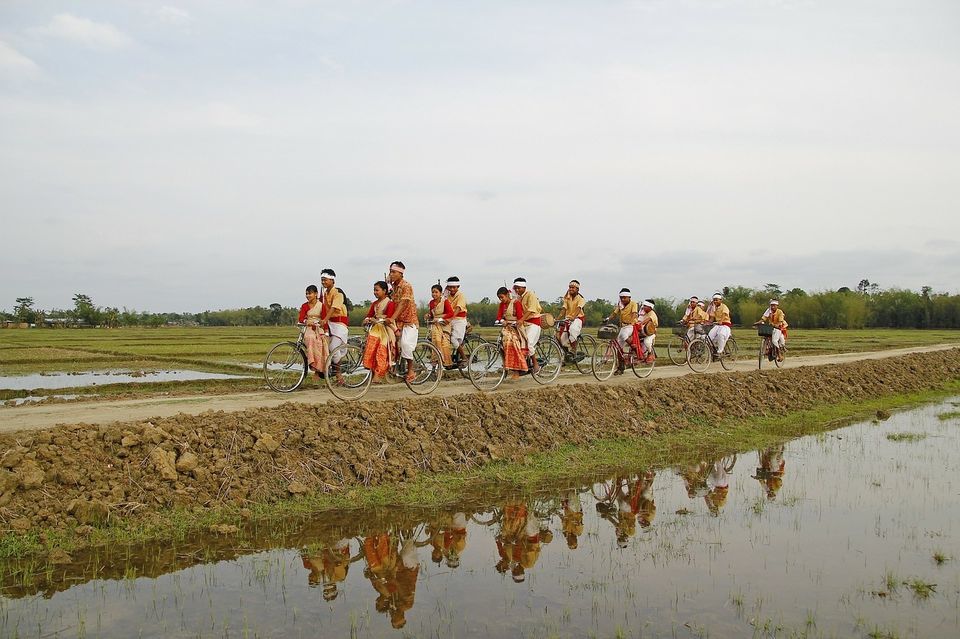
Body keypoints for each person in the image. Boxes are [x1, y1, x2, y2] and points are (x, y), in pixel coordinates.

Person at [387, 261, 418, 383]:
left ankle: (411, 369)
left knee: (405, 345)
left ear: (401, 273)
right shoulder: (393, 287)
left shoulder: (406, 286)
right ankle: (395, 367)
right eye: (390, 272)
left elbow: (403, 304)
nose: (391, 274)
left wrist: (392, 318)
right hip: (398, 321)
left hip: (409, 321)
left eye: (393, 272)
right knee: (392, 343)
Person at [362, 281, 396, 382]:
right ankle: (372, 372)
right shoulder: (374, 304)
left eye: (377, 290)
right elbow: (370, 314)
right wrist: (367, 319)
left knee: (381, 350)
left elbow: (389, 318)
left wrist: (376, 320)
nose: (375, 292)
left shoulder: (390, 303)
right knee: (370, 347)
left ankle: (379, 374)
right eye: (374, 290)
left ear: (384, 291)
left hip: (386, 328)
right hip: (376, 328)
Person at [495, 286, 528, 378]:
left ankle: (517, 370)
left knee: (513, 342)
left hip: (516, 327)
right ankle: (508, 363)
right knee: (503, 341)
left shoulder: (516, 303)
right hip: (507, 327)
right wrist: (501, 321)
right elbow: (499, 316)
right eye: (499, 298)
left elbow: (520, 317)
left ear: (507, 295)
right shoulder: (502, 305)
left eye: (502, 297)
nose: (501, 299)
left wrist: (510, 322)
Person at [320, 269, 350, 372]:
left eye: (325, 280)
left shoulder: (338, 293)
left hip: (340, 323)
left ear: (332, 280)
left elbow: (333, 308)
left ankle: (338, 373)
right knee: (325, 345)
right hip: (330, 323)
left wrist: (324, 320)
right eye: (322, 280)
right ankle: (332, 368)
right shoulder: (325, 293)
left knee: (333, 347)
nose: (323, 282)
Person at [297, 285, 329, 378]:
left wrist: (326, 332)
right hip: (308, 328)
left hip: (319, 327)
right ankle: (313, 365)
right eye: (306, 294)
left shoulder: (321, 306)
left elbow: (324, 320)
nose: (308, 295)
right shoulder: (304, 306)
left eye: (310, 293)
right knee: (310, 338)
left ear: (316, 294)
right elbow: (301, 318)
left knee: (321, 342)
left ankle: (318, 371)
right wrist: (307, 322)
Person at [604, 288, 638, 375]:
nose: (622, 299)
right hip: (623, 326)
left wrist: (632, 320)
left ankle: (634, 347)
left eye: (624, 297)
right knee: (618, 348)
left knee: (623, 335)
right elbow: (614, 313)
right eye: (621, 297)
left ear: (629, 297)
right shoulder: (620, 304)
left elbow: (634, 314)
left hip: (631, 326)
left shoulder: (633, 304)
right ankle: (621, 367)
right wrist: (607, 318)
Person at [512, 278, 542, 373]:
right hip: (524, 323)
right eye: (515, 288)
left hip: (533, 323)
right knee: (518, 342)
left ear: (524, 287)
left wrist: (521, 319)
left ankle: (535, 364)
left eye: (519, 288)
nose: (517, 290)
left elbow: (531, 310)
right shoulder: (518, 298)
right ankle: (524, 364)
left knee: (528, 343)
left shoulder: (530, 295)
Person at [426, 283, 455, 368]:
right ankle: (436, 360)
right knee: (434, 340)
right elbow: (432, 315)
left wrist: (440, 317)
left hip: (444, 324)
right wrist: (428, 315)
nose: (434, 294)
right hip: (435, 324)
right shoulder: (431, 303)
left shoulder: (444, 302)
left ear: (441, 293)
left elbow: (450, 313)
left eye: (436, 292)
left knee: (444, 342)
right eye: (432, 292)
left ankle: (446, 361)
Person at [559, 280, 586, 361]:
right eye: (570, 287)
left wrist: (573, 317)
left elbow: (578, 309)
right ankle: (568, 356)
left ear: (577, 289)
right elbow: (563, 310)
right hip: (568, 319)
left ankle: (573, 349)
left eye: (573, 288)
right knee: (561, 338)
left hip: (578, 318)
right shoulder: (567, 298)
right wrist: (557, 319)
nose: (571, 289)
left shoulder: (581, 299)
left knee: (573, 329)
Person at [444, 276, 469, 365]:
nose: (452, 289)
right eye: (450, 287)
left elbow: (458, 308)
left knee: (453, 339)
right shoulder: (446, 295)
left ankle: (464, 357)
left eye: (454, 287)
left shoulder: (461, 295)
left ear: (458, 287)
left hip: (459, 320)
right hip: (449, 320)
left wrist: (451, 318)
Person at [632, 299, 658, 363]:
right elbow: (637, 319)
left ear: (650, 307)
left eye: (645, 306)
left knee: (647, 342)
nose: (644, 307)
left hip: (650, 333)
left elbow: (648, 319)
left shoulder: (652, 314)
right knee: (632, 340)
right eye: (643, 305)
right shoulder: (642, 312)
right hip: (641, 332)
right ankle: (636, 354)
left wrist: (640, 323)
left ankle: (650, 354)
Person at [707, 292, 732, 357]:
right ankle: (714, 349)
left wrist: (721, 321)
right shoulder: (714, 308)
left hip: (725, 325)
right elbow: (712, 317)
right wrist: (708, 323)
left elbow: (724, 314)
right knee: (709, 337)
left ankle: (720, 351)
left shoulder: (724, 306)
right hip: (718, 325)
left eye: (716, 300)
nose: (715, 301)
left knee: (721, 334)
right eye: (714, 300)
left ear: (721, 300)